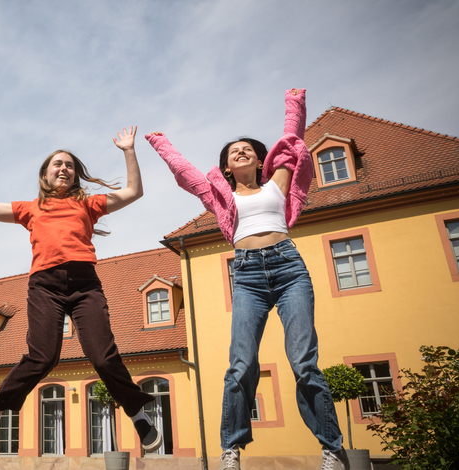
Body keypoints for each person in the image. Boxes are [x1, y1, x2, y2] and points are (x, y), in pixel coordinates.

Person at [144, 89, 348, 470]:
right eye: (232, 151)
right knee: (241, 364)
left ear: (259, 159)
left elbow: (292, 141)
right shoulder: (221, 197)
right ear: (225, 168)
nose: (240, 152)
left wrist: (294, 104)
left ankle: (332, 448)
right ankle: (232, 449)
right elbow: (186, 173)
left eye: (247, 149)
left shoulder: (277, 183)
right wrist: (160, 142)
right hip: (247, 275)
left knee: (304, 362)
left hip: (289, 270)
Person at [0, 126, 163, 453]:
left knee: (103, 354)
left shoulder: (88, 203)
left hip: (85, 284)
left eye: (69, 165)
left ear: (75, 175)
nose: (64, 169)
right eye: (57, 164)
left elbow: (133, 192)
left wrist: (129, 150)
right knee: (43, 357)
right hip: (45, 285)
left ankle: (136, 411)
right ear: (45, 174)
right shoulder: (30, 208)